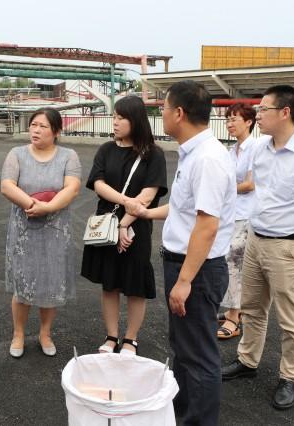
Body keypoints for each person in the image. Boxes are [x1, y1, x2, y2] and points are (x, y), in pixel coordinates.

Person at [221, 85, 294, 410]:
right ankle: (247, 361)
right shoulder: (259, 149)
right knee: (253, 308)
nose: (258, 115)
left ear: (285, 112)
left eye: (263, 110)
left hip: (291, 248)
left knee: (291, 319)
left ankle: (290, 377)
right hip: (257, 240)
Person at [126, 80, 236, 425]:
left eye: (163, 107)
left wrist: (185, 280)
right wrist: (146, 212)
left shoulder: (207, 159)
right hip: (188, 266)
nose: (160, 113)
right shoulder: (194, 152)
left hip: (197, 270)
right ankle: (183, 415)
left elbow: (206, 225)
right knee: (186, 351)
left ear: (179, 113)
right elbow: (184, 208)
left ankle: (198, 420)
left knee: (199, 356)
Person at [81, 95, 167, 355]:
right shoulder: (106, 149)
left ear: (136, 120)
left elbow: (149, 195)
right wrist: (125, 205)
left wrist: (124, 224)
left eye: (121, 117)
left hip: (136, 227)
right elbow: (98, 184)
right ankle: (111, 336)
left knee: (135, 285)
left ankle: (130, 338)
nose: (115, 122)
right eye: (114, 117)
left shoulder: (154, 154)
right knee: (110, 284)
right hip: (107, 225)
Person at [0, 108, 82, 358]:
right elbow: (6, 185)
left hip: (55, 230)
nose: (35, 130)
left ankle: (45, 333)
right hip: (24, 230)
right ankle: (19, 333)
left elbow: (72, 188)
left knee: (51, 283)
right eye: (33, 124)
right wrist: (31, 205)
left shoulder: (69, 156)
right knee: (23, 284)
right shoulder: (17, 154)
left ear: (57, 131)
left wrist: (48, 207)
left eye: (43, 126)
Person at [217, 103, 259, 340]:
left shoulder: (256, 149)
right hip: (231, 214)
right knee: (228, 262)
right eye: (228, 119)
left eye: (235, 119)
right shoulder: (231, 150)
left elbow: (250, 184)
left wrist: (224, 191)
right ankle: (235, 310)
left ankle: (234, 317)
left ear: (249, 122)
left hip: (247, 214)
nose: (230, 123)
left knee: (234, 264)